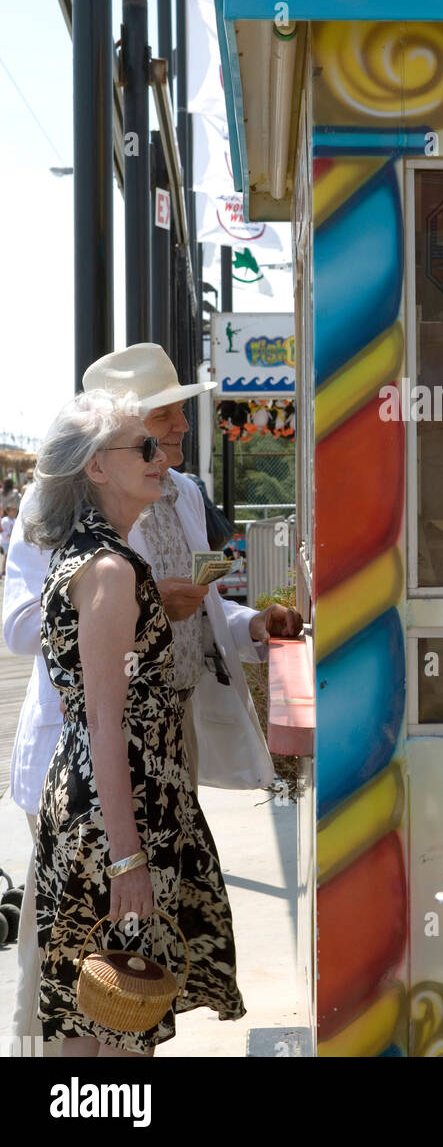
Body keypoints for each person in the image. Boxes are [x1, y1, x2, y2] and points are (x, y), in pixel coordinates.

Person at [3, 343, 303, 1054]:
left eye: (175, 419)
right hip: (100, 764)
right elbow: (22, 621)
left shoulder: (184, 497)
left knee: (130, 984)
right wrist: (127, 607)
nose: (175, 432)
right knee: (80, 981)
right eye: (161, 420)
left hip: (162, 752)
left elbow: (199, 614)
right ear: (107, 449)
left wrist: (249, 624)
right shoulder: (83, 539)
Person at [25, 389, 245, 1056]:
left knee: (99, 1010)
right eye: (144, 447)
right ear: (97, 468)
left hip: (107, 806)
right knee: (122, 1017)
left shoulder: (97, 557)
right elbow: (103, 718)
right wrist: (128, 858)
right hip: (118, 813)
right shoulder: (112, 571)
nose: (160, 459)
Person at [0, 502, 15, 578]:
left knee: (9, 556)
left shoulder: (14, 520)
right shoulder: (5, 520)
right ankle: (2, 571)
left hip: (10, 541)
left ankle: (6, 570)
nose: (14, 512)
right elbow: (2, 531)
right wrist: (8, 535)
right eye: (12, 510)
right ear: (8, 511)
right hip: (4, 541)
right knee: (5, 556)